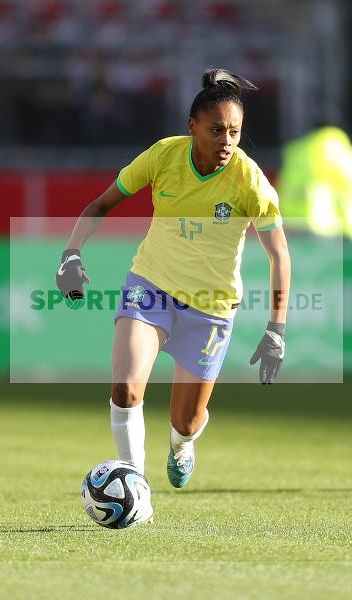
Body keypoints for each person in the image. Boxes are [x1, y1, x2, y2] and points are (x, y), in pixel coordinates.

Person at [57, 68, 291, 492]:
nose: (227, 141)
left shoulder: (251, 182)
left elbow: (279, 255)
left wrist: (276, 328)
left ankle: (183, 443)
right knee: (126, 390)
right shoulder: (164, 156)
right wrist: (71, 253)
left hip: (211, 307)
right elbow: (101, 205)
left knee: (186, 421)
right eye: (216, 130)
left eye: (235, 132)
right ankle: (135, 485)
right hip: (151, 286)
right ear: (192, 127)